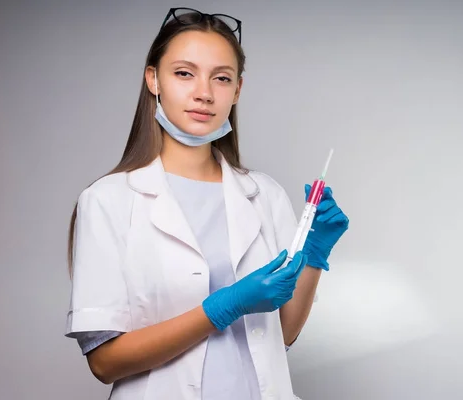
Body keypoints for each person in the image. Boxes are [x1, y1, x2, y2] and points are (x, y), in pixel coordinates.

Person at [64, 8, 349, 400]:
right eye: (184, 73)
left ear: (238, 90)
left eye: (222, 78)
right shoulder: (108, 200)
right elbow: (104, 362)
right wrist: (222, 308)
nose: (204, 93)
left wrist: (315, 254)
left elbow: (281, 334)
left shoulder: (265, 195)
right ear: (154, 79)